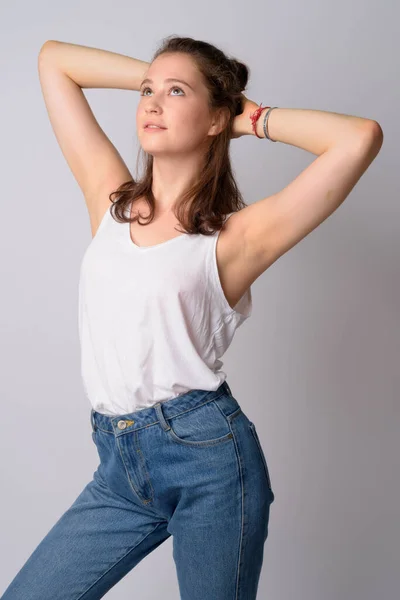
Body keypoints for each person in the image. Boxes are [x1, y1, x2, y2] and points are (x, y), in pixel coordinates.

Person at [1, 35, 382, 600]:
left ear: (214, 120)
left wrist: (246, 116)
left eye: (175, 93)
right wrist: (171, 84)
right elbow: (54, 61)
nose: (152, 102)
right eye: (147, 90)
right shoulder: (110, 201)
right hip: (118, 464)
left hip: (209, 459)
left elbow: (360, 138)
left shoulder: (235, 237)